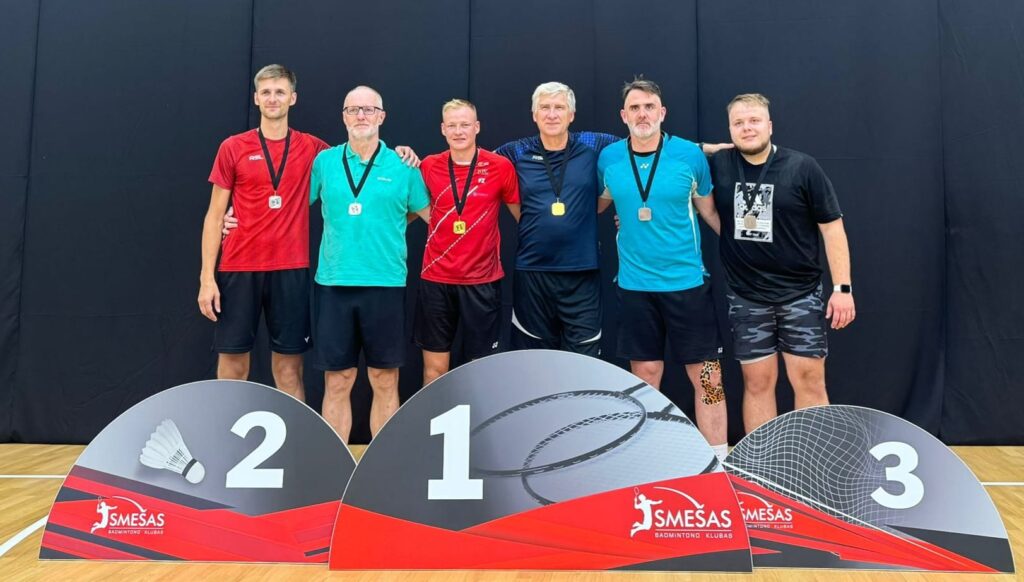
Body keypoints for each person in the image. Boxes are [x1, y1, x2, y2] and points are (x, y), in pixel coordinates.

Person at [707, 93, 855, 433]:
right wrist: (710, 149)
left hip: (800, 294)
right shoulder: (720, 164)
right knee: (757, 382)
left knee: (809, 380)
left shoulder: (802, 167)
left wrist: (843, 288)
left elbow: (832, 228)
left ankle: (812, 459)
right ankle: (763, 462)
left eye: (754, 120)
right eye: (738, 123)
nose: (747, 128)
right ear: (729, 130)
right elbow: (674, 150)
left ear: (770, 126)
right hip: (746, 295)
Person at [597, 78, 728, 460]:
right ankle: (650, 462)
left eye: (649, 106)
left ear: (662, 112)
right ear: (623, 116)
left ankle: (719, 462)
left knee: (709, 378)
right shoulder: (609, 159)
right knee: (646, 376)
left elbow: (710, 214)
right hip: (635, 287)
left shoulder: (688, 155)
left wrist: (747, 253)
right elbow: (595, 206)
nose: (643, 114)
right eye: (635, 108)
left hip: (688, 284)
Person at [199, 64, 328, 402]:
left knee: (288, 369)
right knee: (233, 364)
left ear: (293, 98)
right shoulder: (233, 147)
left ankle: (295, 436)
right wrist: (206, 279)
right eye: (266, 92)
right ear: (256, 98)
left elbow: (355, 160)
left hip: (290, 269)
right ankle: (225, 434)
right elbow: (214, 216)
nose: (273, 98)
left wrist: (400, 154)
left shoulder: (313, 148)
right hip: (238, 268)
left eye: (280, 92)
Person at [309, 86, 431, 442]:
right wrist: (234, 220)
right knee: (338, 379)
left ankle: (384, 466)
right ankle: (334, 465)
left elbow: (431, 215)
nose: (361, 116)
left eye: (368, 109)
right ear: (343, 116)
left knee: (384, 378)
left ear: (382, 116)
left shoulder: (403, 165)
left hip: (385, 284)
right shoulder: (324, 162)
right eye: (353, 110)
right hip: (334, 284)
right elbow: (289, 208)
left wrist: (393, 222)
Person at [496, 82, 619, 356]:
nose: (552, 114)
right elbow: (472, 163)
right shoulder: (516, 151)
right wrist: (409, 159)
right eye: (545, 108)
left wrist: (704, 148)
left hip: (582, 273)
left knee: (584, 363)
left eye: (559, 108)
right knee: (534, 363)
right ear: (534, 115)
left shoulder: (593, 143)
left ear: (571, 115)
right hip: (532, 273)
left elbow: (644, 145)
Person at [416, 100, 520, 385]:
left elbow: (523, 217)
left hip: (482, 281)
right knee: (434, 371)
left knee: (480, 372)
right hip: (436, 279)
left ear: (477, 127)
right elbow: (407, 210)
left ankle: (481, 418)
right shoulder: (428, 166)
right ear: (443, 129)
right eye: (452, 125)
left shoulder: (500, 167)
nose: (458, 131)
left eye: (465, 125)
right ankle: (433, 416)